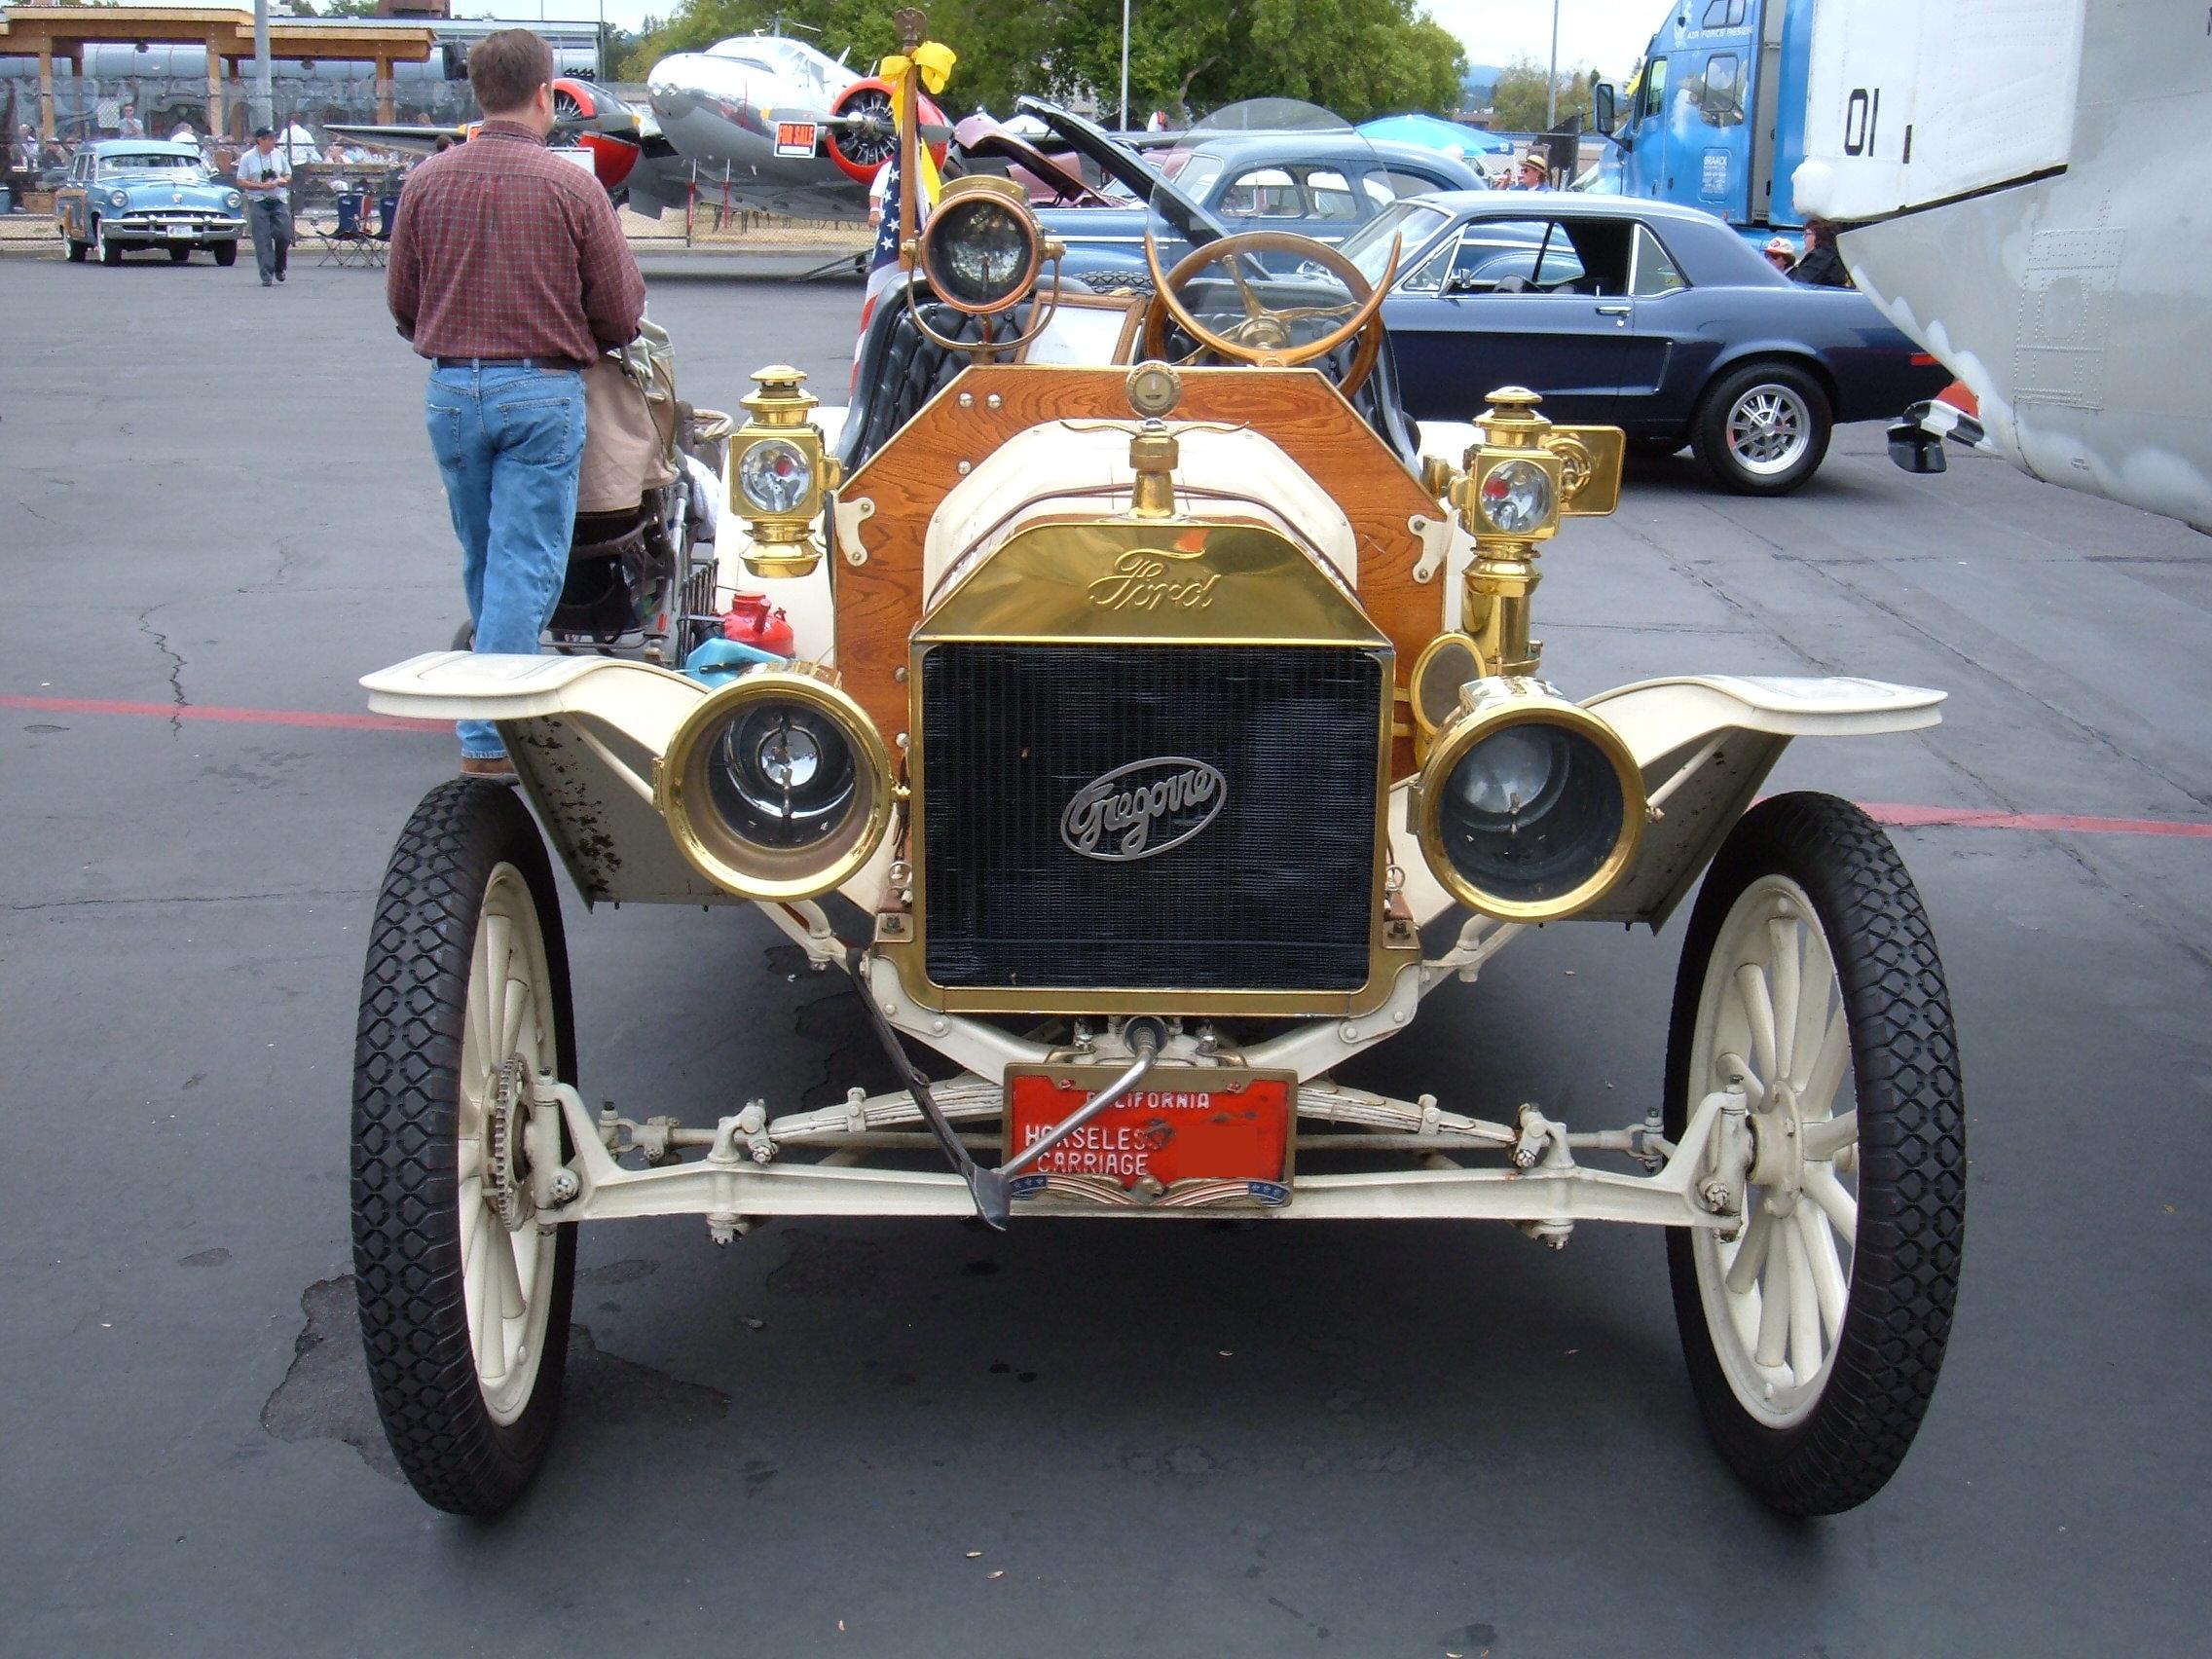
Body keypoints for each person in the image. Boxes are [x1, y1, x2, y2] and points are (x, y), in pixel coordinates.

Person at [386, 28, 646, 781]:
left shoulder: (428, 182)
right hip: (540, 389)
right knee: (527, 561)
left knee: (487, 554)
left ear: (476, 92)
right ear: (545, 94)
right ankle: (490, 735)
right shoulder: (573, 186)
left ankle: (492, 690)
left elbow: (403, 301)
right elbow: (622, 312)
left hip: (452, 389)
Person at [235, 127, 294, 285]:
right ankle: (266, 274)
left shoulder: (279, 155)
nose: (273, 142)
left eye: (274, 138)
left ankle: (279, 266)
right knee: (262, 239)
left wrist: (283, 181)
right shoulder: (248, 158)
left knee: (284, 235)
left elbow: (288, 174)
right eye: (269, 139)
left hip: (278, 199)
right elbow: (241, 180)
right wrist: (260, 186)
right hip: (258, 200)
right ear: (260, 140)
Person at [1789, 217, 1851, 287]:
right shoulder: (1836, 254)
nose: (1804, 238)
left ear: (1820, 235)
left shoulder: (1820, 257)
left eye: (1807, 234)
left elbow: (1799, 285)